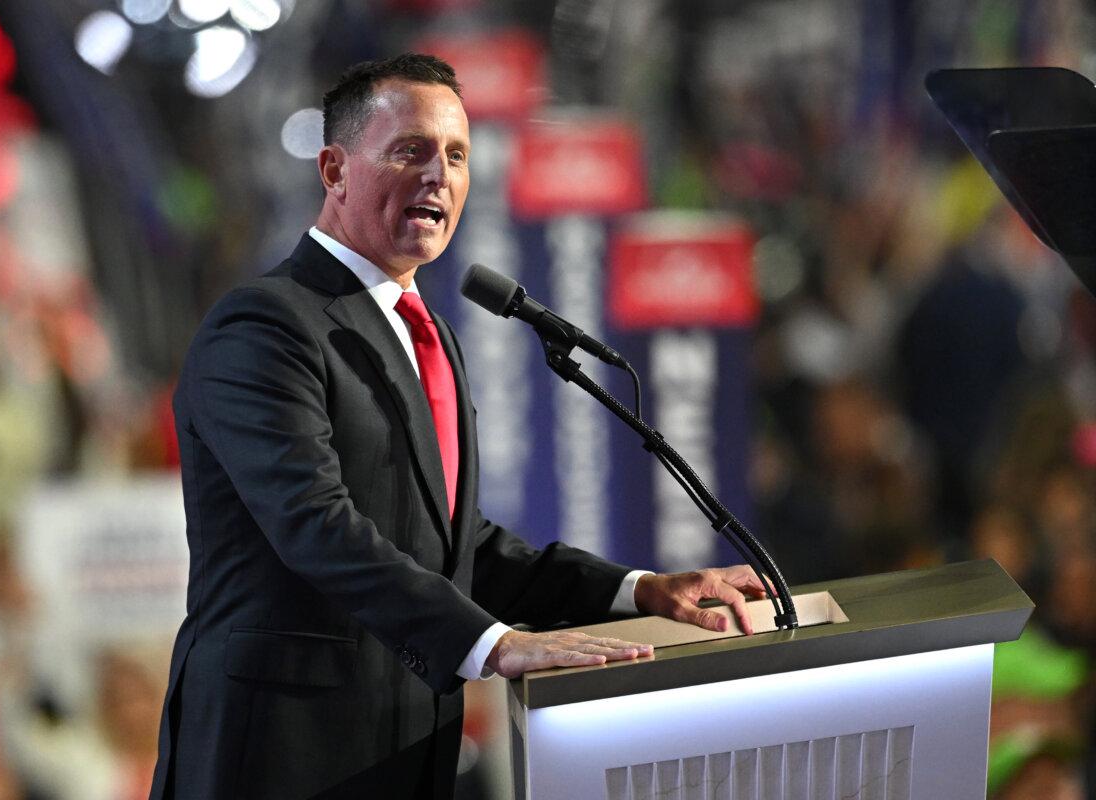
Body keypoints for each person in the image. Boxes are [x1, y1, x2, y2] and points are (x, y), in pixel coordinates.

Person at [148, 53, 767, 800]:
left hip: (407, 750)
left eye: (457, 155)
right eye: (410, 150)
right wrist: (494, 645)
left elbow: (458, 548)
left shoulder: (427, 333)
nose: (439, 174)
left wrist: (639, 591)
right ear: (335, 169)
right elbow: (315, 524)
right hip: (281, 754)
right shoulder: (264, 325)